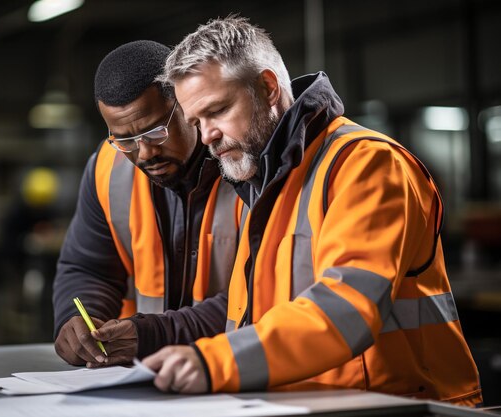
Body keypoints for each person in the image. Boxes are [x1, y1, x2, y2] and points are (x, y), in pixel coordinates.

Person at [139, 16, 483, 406]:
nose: (207, 136)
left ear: (267, 88)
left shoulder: (366, 165)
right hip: (304, 406)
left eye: (217, 111)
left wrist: (214, 362)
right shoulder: (265, 184)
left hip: (399, 407)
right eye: (196, 121)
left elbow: (346, 308)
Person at [52, 40, 240, 367]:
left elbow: (262, 293)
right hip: (143, 378)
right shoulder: (107, 169)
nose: (145, 153)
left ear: (185, 105)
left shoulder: (244, 164)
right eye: (124, 139)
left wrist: (155, 335)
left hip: (235, 369)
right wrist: (78, 318)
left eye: (155, 132)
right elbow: (87, 267)